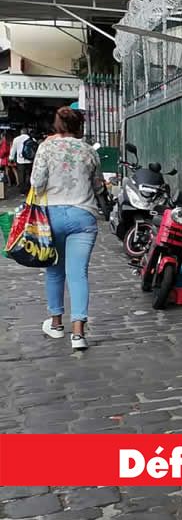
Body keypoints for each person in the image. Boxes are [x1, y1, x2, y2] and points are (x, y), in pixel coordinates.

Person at [32, 108, 102, 350]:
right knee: (78, 274)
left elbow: (36, 183)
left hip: (51, 216)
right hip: (83, 215)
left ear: (58, 125)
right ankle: (78, 334)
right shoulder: (89, 150)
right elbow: (98, 186)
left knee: (54, 271)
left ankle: (56, 324)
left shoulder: (46, 148)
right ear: (79, 126)